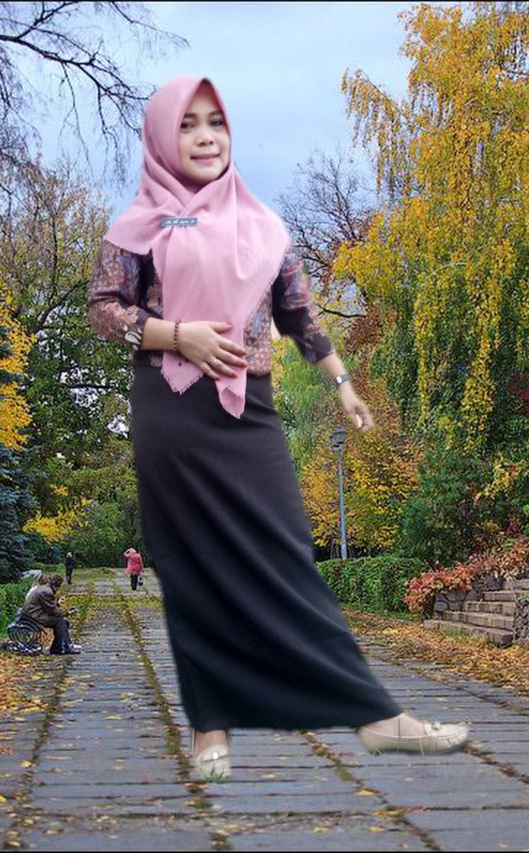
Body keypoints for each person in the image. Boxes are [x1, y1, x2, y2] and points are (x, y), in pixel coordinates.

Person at [87, 76, 470, 781]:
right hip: (171, 408)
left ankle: (373, 715)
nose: (206, 136)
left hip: (249, 408)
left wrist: (344, 384)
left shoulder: (263, 227)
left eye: (216, 122)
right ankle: (210, 729)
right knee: (192, 562)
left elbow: (300, 316)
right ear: (162, 138)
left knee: (289, 548)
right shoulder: (138, 226)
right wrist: (178, 334)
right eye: (188, 124)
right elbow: (104, 308)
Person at [20, 572, 81, 655]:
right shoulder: (47, 592)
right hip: (34, 617)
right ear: (56, 585)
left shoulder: (44, 588)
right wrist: (67, 612)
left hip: (32, 615)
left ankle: (58, 648)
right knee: (60, 622)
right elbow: (53, 611)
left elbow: (49, 607)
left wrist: (64, 610)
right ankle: (66, 647)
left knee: (63, 622)